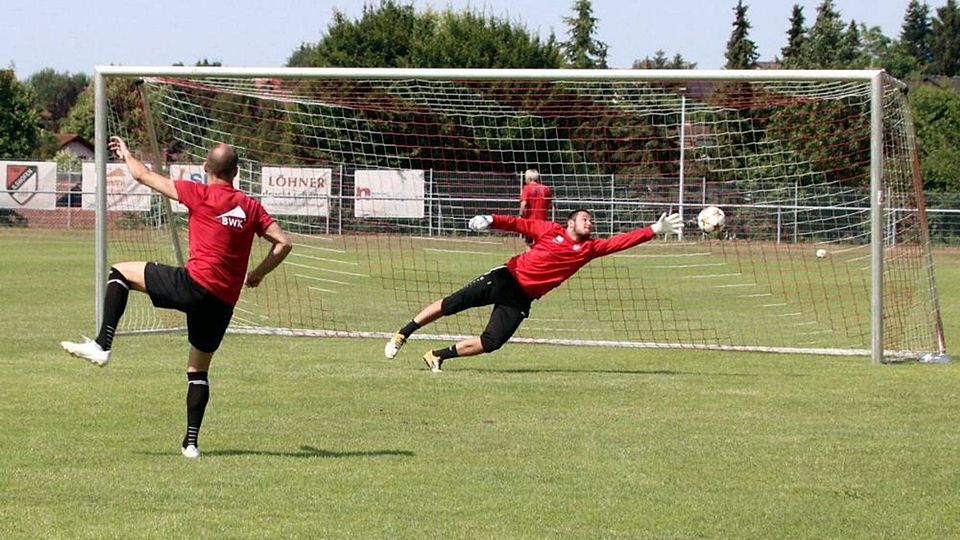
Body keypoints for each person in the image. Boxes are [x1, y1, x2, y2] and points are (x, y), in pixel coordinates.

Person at [60, 136, 292, 459]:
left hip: (193, 285)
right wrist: (257, 274)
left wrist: (127, 153)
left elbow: (143, 176)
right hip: (223, 303)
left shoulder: (199, 192)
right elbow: (283, 243)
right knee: (198, 372)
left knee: (120, 272)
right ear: (236, 172)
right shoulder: (250, 207)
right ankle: (191, 444)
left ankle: (102, 345)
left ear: (204, 169)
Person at [384, 209, 683, 372]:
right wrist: (491, 220)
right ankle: (403, 333)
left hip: (522, 297)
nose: (589, 223)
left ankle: (436, 356)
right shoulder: (550, 230)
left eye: (591, 220)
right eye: (584, 218)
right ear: (570, 222)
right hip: (505, 278)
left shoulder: (589, 249)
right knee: (451, 305)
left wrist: (653, 231)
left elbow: (621, 242)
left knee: (493, 342)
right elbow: (518, 223)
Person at [518, 169, 552, 248]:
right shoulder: (546, 189)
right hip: (543, 222)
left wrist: (520, 215)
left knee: (529, 244)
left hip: (530, 222)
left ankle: (529, 259)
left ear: (529, 179)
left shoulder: (527, 188)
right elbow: (549, 204)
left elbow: (524, 203)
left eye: (525, 178)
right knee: (540, 244)